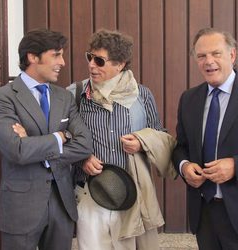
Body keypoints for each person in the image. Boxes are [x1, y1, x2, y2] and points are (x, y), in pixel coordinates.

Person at [68, 29, 177, 250]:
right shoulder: (75, 93)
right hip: (89, 192)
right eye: (89, 57)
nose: (91, 65)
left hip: (131, 194)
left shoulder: (142, 95)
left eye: (100, 61)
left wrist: (141, 142)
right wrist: (82, 158)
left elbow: (160, 134)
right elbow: (64, 138)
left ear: (120, 64)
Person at [0, 29, 93, 250]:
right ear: (33, 56)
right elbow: (17, 151)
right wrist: (60, 137)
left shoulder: (64, 96)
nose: (62, 62)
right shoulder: (4, 97)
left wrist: (41, 142)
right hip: (22, 208)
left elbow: (84, 144)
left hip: (62, 204)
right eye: (56, 55)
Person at [173, 27, 238, 249]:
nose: (209, 61)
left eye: (216, 53)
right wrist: (184, 166)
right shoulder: (188, 99)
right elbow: (180, 147)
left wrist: (236, 165)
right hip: (204, 212)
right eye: (201, 56)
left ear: (232, 55)